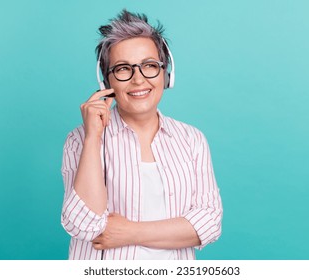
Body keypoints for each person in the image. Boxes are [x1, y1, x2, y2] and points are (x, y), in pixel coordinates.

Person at [61, 9, 222, 260]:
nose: (138, 79)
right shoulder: (80, 139)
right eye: (123, 69)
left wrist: (130, 232)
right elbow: (84, 225)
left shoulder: (192, 140)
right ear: (106, 82)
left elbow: (209, 224)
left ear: (166, 74)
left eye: (149, 66)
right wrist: (93, 137)